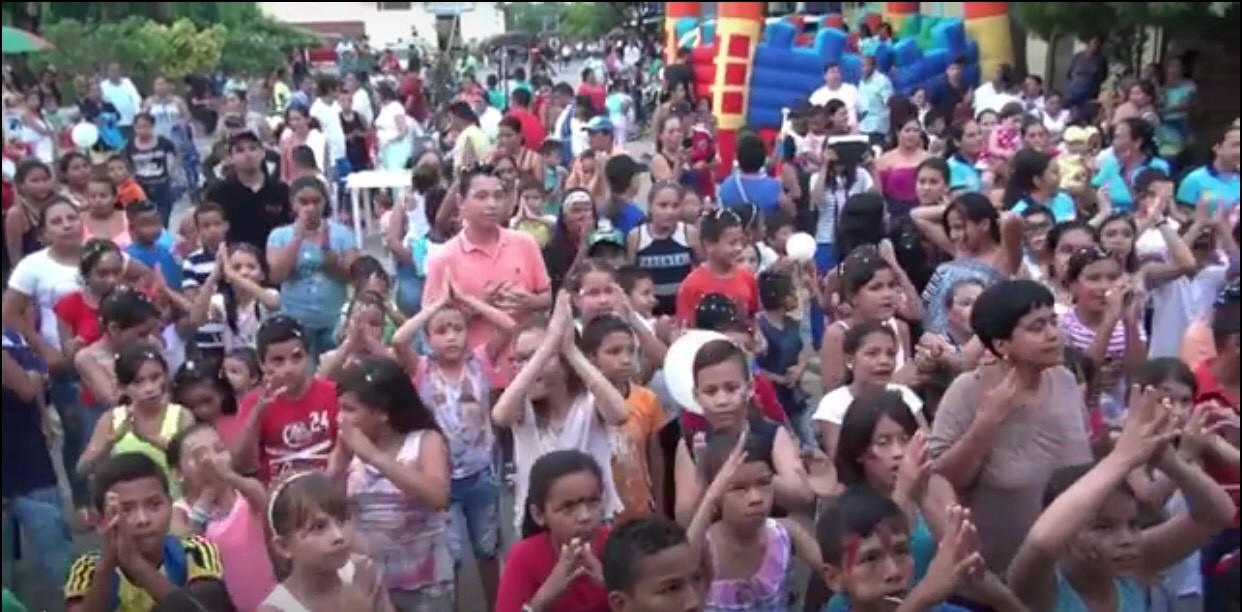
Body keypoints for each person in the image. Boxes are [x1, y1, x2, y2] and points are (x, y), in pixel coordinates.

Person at [62, 452, 226, 612]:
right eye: (125, 510)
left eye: (154, 505)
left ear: (170, 505)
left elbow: (204, 608)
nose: (143, 519)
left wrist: (134, 563)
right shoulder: (88, 568)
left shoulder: (195, 550)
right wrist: (105, 566)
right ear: (101, 521)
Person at [495, 450, 612, 612]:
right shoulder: (524, 557)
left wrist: (613, 587)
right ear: (539, 514)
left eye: (593, 502)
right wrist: (543, 598)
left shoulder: (616, 545)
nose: (585, 516)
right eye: (568, 507)